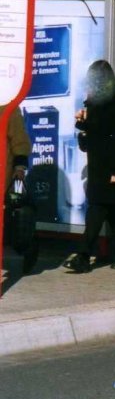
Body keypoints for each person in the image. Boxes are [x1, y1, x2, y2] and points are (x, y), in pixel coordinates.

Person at [63, 60, 115, 273]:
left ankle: (83, 255)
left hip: (109, 167)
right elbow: (93, 135)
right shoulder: (94, 103)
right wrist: (81, 123)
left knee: (96, 211)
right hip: (97, 165)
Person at [3, 105, 36, 273]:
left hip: (4, 175)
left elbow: (20, 140)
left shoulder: (8, 107)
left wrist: (20, 168)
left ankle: (27, 248)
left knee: (12, 215)